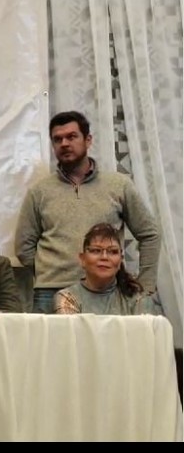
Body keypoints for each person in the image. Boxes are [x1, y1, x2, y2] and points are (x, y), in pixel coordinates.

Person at [15, 111, 160, 313]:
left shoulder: (118, 185)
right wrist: (50, 269)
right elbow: (24, 247)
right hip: (50, 292)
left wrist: (145, 285)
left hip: (105, 293)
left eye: (71, 136)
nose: (64, 143)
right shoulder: (39, 192)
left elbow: (150, 234)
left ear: (88, 140)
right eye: (58, 139)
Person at [54, 223, 159, 315]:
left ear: (120, 260)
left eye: (113, 252)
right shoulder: (68, 298)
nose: (104, 257)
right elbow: (72, 332)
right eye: (96, 251)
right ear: (83, 259)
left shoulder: (138, 298)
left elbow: (145, 331)